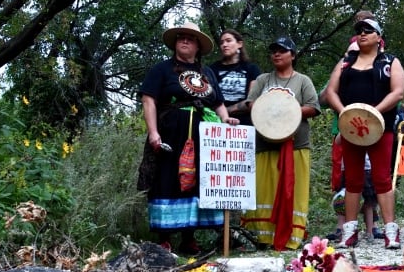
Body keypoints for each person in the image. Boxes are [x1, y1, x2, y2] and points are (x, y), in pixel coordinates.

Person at [138, 22, 240, 255]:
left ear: (198, 47)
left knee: (197, 182)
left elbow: (218, 102)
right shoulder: (161, 70)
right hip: (171, 133)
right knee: (168, 179)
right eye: (181, 37)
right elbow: (149, 100)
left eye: (190, 38)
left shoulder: (207, 73)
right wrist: (153, 132)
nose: (184, 40)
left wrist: (225, 120)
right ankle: (164, 238)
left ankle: (189, 238)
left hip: (203, 135)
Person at [323, 18, 404, 249]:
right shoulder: (346, 62)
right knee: (352, 178)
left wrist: (372, 113)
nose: (362, 34)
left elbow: (398, 92)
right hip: (351, 127)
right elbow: (331, 91)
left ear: (379, 37)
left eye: (368, 30)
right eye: (359, 31)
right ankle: (349, 231)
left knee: (381, 177)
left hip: (380, 127)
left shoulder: (390, 61)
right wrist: (345, 114)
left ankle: (391, 231)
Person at [241, 37, 321, 251]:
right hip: (265, 144)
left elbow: (313, 107)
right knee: (264, 191)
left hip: (295, 145)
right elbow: (251, 105)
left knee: (292, 192)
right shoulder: (262, 80)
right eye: (273, 51)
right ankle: (263, 237)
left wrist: (287, 109)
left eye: (282, 50)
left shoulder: (302, 81)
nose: (276, 54)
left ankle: (291, 238)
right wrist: (269, 108)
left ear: (292, 55)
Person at [209, 29, 261, 126]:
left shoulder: (251, 68)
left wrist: (224, 111)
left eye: (228, 41)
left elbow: (251, 101)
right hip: (216, 123)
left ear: (239, 44)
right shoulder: (212, 69)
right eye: (222, 42)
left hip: (244, 124)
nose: (224, 45)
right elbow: (210, 98)